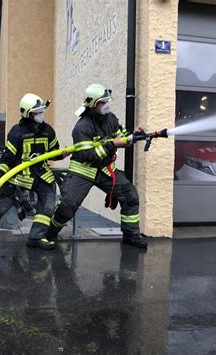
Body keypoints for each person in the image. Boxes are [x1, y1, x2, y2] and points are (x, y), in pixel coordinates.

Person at [45, 83, 147, 248]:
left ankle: (131, 235)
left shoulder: (111, 119)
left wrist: (132, 135)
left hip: (105, 170)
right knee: (67, 206)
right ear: (92, 104)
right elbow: (88, 156)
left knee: (130, 196)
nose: (107, 105)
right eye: (103, 102)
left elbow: (121, 138)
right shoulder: (82, 127)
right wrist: (111, 144)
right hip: (82, 171)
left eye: (108, 101)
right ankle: (50, 234)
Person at [0, 93, 69, 250]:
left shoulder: (48, 131)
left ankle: (36, 237)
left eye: (41, 111)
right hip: (18, 176)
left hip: (41, 174)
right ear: (27, 113)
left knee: (48, 202)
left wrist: (61, 154)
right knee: (2, 203)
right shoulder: (17, 132)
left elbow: (54, 151)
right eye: (37, 112)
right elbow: (7, 158)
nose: (41, 115)